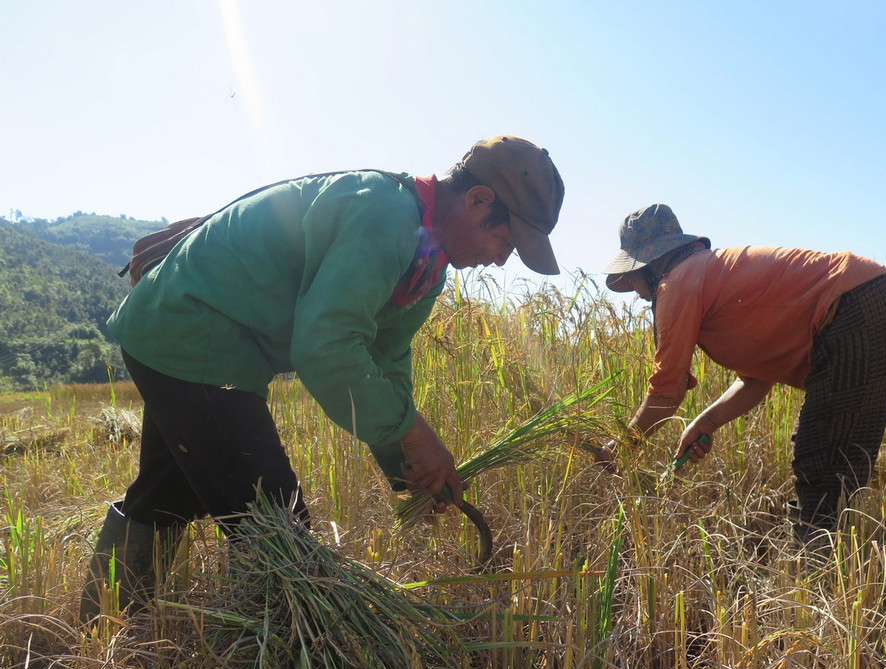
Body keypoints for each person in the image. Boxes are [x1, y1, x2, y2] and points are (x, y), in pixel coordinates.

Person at [80, 135, 565, 622]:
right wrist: (416, 433)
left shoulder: (428, 265)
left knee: (166, 494)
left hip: (196, 339)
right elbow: (327, 347)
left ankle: (107, 629)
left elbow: (386, 357)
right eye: (505, 240)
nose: (502, 259)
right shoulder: (385, 215)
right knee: (277, 530)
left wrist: (410, 467)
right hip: (188, 331)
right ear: (479, 200)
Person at [599, 203, 886, 545]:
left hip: (856, 304)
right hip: (880, 298)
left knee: (822, 455)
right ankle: (840, 560)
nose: (631, 286)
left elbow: (666, 393)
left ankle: (816, 568)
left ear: (648, 264)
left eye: (630, 273)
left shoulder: (677, 284)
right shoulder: (708, 274)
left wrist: (622, 446)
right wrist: (705, 423)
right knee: (843, 452)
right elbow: (755, 380)